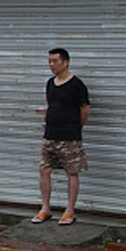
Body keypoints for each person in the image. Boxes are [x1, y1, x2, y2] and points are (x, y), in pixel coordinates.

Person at [33, 46, 90, 226]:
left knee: (71, 172)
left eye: (55, 61)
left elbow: (85, 109)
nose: (52, 65)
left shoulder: (76, 85)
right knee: (44, 169)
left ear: (66, 62)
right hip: (50, 135)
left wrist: (75, 128)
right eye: (50, 61)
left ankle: (70, 210)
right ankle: (45, 208)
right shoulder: (50, 83)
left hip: (69, 136)